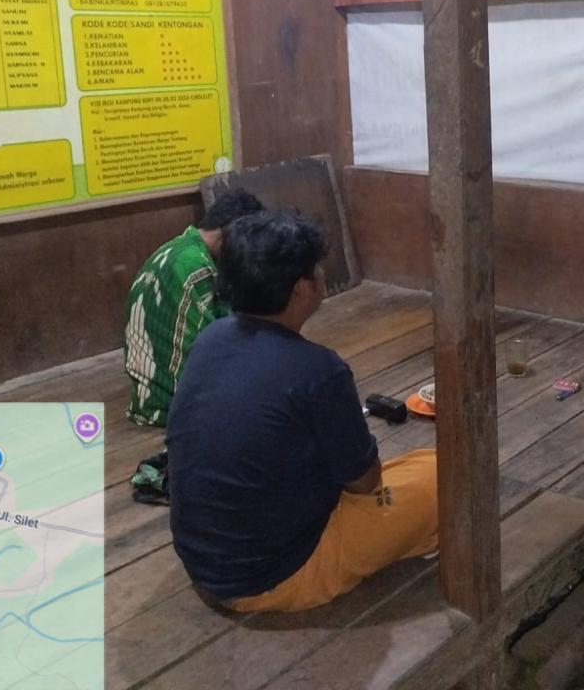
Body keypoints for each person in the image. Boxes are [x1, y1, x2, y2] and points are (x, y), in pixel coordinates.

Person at [165, 211, 437, 613]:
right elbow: (364, 483)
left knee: (419, 466)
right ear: (301, 288)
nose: (321, 275)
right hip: (272, 576)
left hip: (203, 561)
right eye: (316, 268)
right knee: (445, 477)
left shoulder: (211, 338)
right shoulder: (319, 370)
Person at [123, 186, 265, 427]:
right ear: (231, 232)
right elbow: (220, 342)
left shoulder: (179, 248)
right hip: (173, 403)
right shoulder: (196, 266)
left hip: (150, 393)